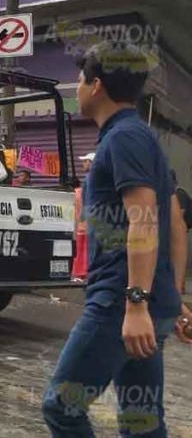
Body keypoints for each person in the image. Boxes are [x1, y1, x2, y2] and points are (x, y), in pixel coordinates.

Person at [42, 42, 192, 437]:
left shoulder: (123, 139)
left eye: (79, 79)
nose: (75, 87)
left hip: (118, 301)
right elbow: (174, 220)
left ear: (97, 86)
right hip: (140, 301)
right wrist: (170, 296)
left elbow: (144, 220)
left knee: (61, 407)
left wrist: (138, 302)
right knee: (142, 422)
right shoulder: (136, 136)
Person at [73, 153, 96, 282]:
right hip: (87, 222)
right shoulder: (93, 179)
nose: (84, 164)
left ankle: (83, 272)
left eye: (86, 161)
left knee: (84, 248)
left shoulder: (90, 179)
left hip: (87, 222)